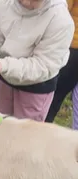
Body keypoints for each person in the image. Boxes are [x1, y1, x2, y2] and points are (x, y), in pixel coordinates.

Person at [0, 0, 74, 122]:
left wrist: (5, 66)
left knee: (24, 137)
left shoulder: (60, 20)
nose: (25, 2)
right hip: (5, 77)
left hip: (35, 86)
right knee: (1, 126)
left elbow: (43, 65)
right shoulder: (4, 3)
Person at [45, 0, 78, 129]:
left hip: (70, 46)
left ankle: (41, 126)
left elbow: (61, 12)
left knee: (53, 95)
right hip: (71, 45)